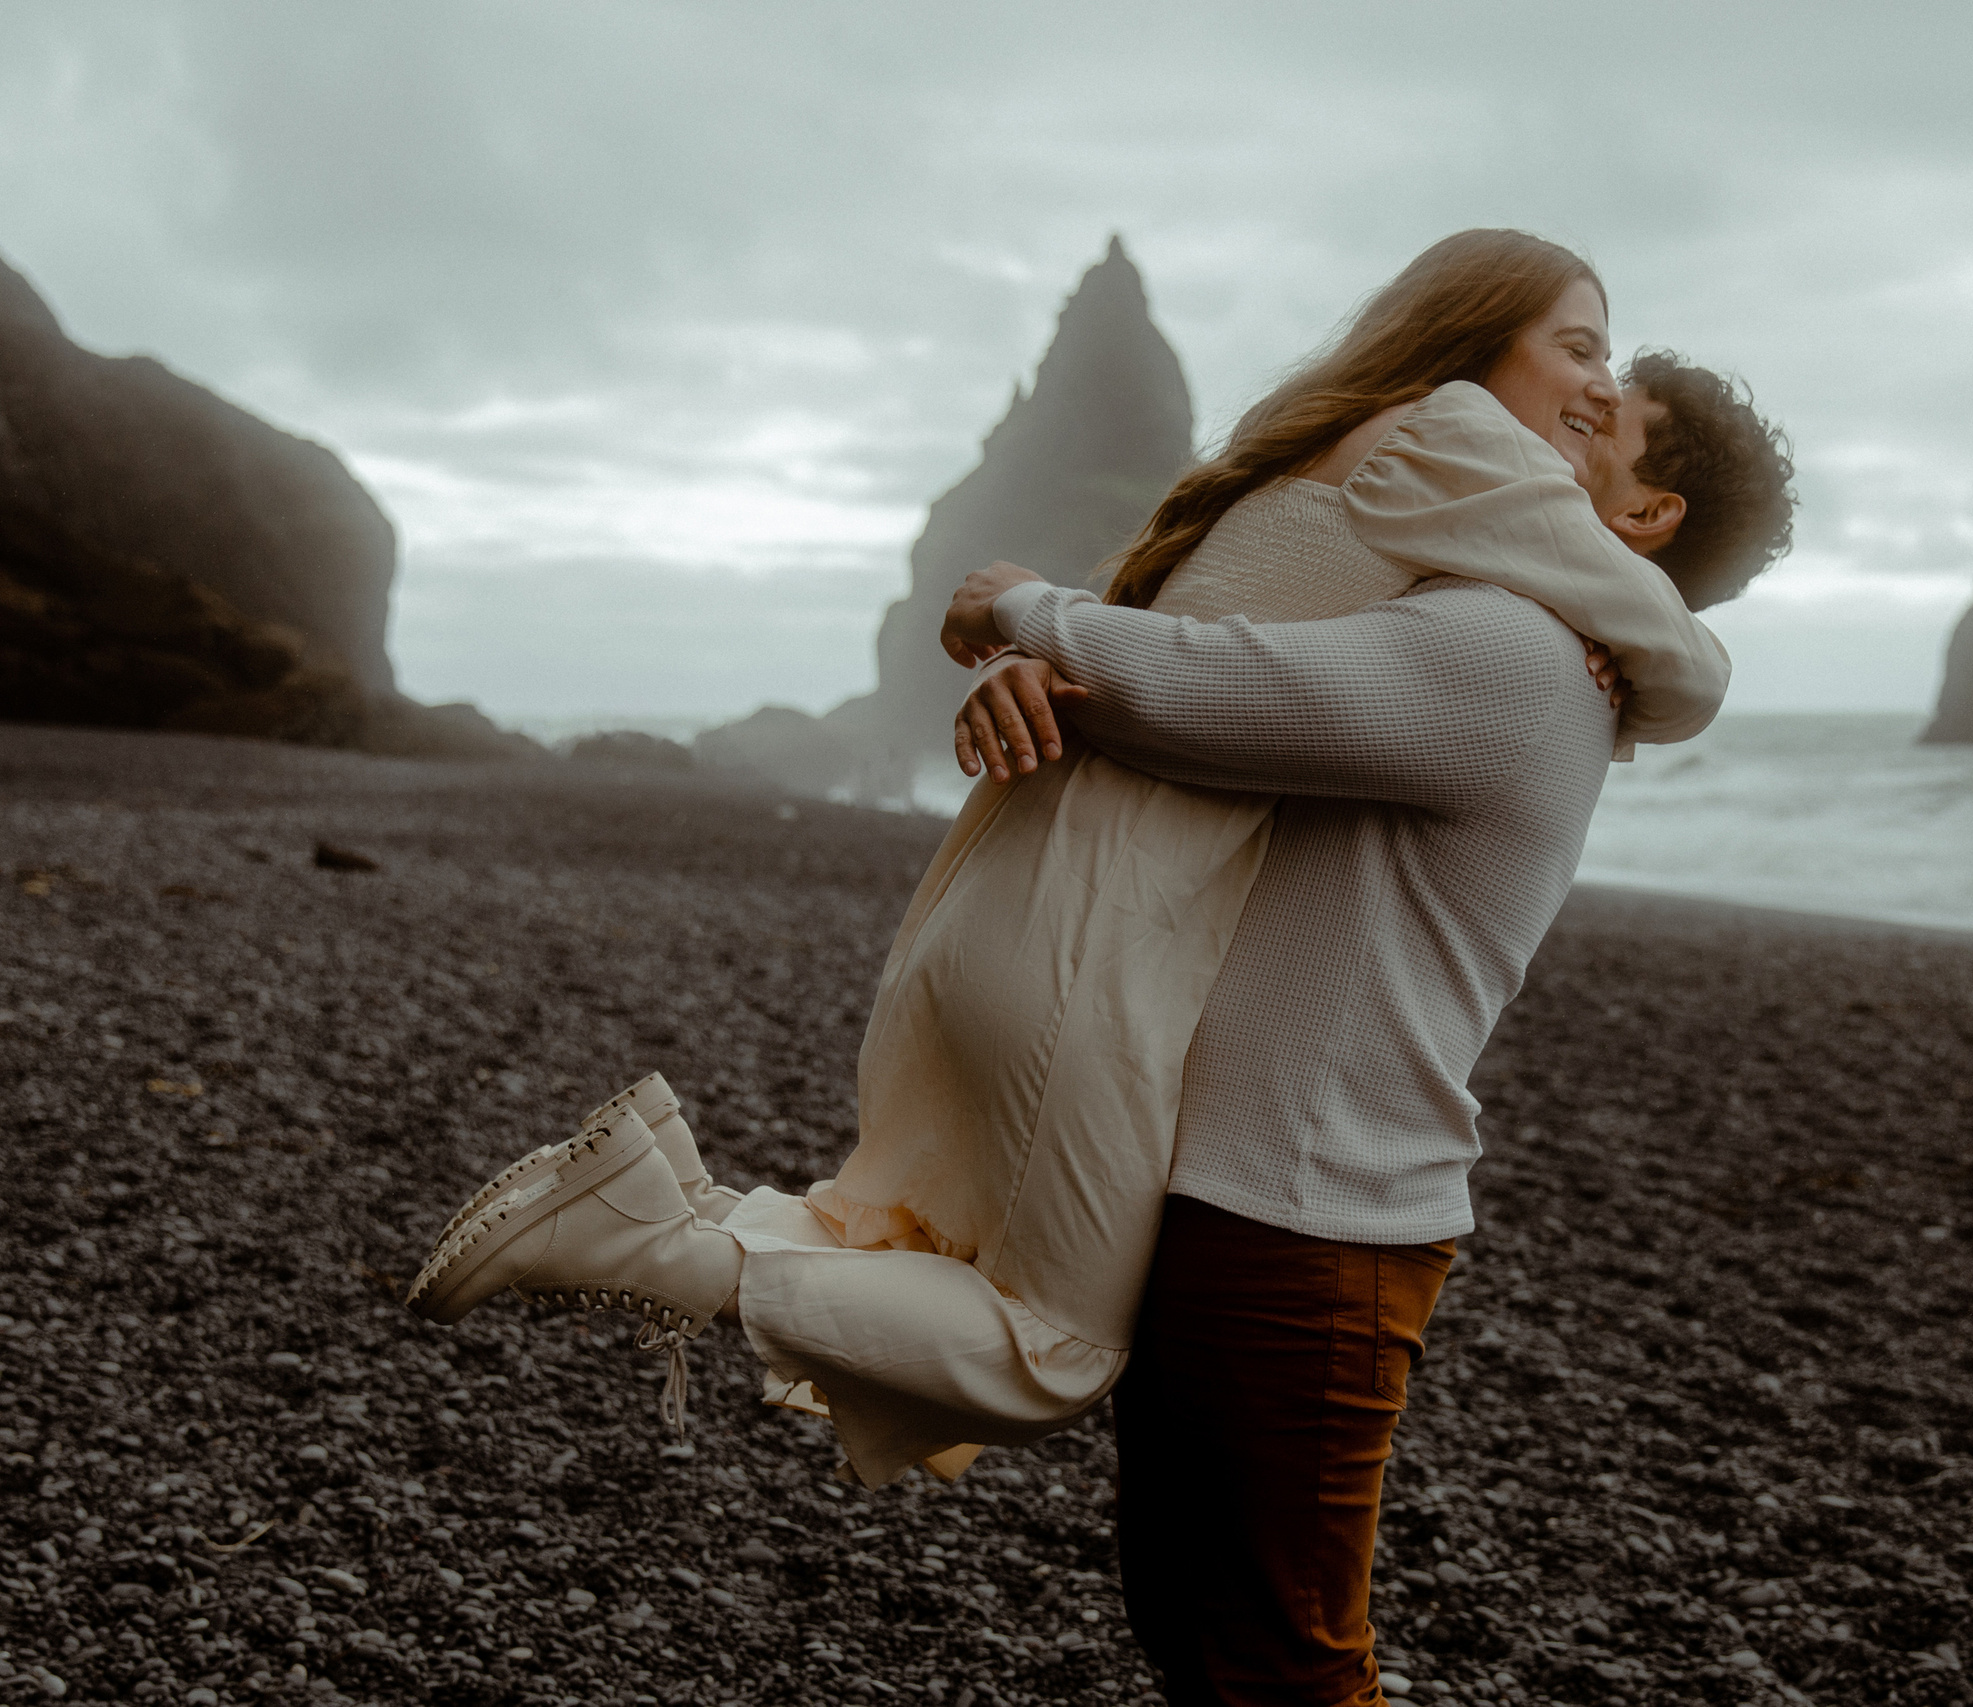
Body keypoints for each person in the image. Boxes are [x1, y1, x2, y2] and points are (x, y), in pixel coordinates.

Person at [405, 231, 1792, 1694]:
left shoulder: (1512, 655)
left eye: (1607, 403)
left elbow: (1221, 688)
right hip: (1228, 1180)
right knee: (1202, 1628)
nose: (1585, 400)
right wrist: (1054, 682)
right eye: (1580, 361)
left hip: (1312, 1218)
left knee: (1278, 1657)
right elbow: (1222, 684)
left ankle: (674, 1239)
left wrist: (1028, 618)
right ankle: (674, 1234)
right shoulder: (1470, 612)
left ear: (1645, 517)